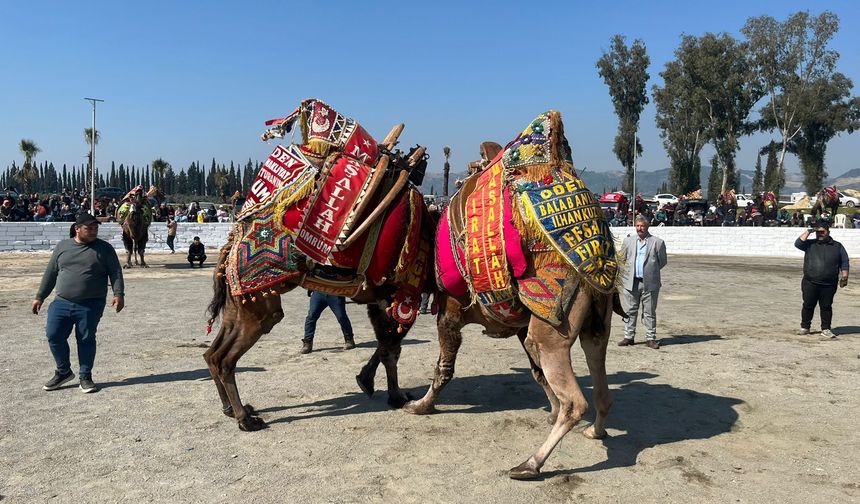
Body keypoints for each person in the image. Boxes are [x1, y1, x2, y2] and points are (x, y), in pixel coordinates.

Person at [32, 213, 125, 393]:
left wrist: (118, 293)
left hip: (91, 304)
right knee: (54, 335)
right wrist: (40, 296)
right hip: (61, 302)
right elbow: (51, 273)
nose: (93, 232)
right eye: (89, 228)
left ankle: (85, 376)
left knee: (85, 338)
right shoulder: (63, 247)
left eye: (95, 228)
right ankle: (63, 371)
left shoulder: (104, 249)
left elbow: (115, 272)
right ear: (77, 229)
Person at [618, 215, 668, 349]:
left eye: (642, 226)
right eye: (638, 226)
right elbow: (622, 259)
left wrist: (650, 272)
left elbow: (662, 261)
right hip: (631, 282)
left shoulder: (658, 242)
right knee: (630, 310)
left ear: (647, 227)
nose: (639, 228)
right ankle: (629, 337)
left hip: (650, 283)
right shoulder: (628, 241)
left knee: (649, 312)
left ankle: (650, 338)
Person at [794, 219, 849, 338]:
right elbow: (798, 243)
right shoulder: (810, 244)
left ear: (828, 232)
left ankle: (826, 329)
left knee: (826, 307)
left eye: (822, 232)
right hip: (810, 282)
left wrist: (845, 277)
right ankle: (805, 327)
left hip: (829, 284)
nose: (820, 234)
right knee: (808, 305)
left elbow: (844, 262)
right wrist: (809, 231)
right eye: (818, 232)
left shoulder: (837, 246)